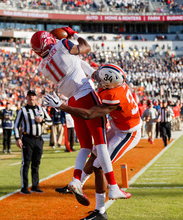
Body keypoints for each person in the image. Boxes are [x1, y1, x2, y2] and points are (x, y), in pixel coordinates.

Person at [31, 28, 129, 203]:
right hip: (84, 94)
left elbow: (75, 62)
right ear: (48, 39)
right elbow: (86, 47)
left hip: (72, 101)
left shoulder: (42, 66)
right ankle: (113, 186)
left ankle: (76, 179)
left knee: (85, 146)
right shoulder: (62, 44)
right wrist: (73, 35)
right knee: (101, 144)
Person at [43, 63, 141, 220]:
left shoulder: (114, 96)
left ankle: (100, 211)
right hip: (118, 127)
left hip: (127, 133)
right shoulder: (113, 83)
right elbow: (91, 71)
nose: (98, 80)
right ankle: (76, 184)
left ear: (109, 83)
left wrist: (62, 106)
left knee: (99, 165)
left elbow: (88, 114)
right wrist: (74, 59)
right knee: (94, 157)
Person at [14, 90, 53, 194]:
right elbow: (16, 125)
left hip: (39, 139)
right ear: (26, 98)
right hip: (27, 139)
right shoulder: (23, 110)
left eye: (33, 96)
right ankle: (24, 187)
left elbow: (50, 122)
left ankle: (35, 186)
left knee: (36, 163)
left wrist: (42, 120)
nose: (31, 98)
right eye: (29, 96)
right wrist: (17, 138)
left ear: (36, 98)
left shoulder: (41, 109)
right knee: (26, 163)